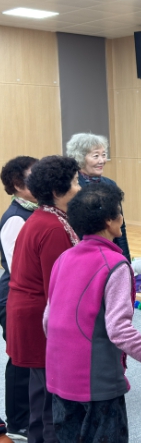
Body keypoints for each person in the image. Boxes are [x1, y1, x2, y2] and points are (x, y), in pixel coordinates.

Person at [44, 182, 141, 443]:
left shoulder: (63, 258)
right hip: (97, 381)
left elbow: (48, 319)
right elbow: (119, 330)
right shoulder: (115, 264)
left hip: (59, 375)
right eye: (120, 213)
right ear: (109, 220)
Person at [6, 156, 81, 443]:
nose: (79, 188)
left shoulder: (46, 218)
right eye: (75, 183)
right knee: (51, 403)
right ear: (58, 191)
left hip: (31, 315)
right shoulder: (52, 227)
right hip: (39, 320)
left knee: (40, 396)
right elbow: (58, 290)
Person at [0, 157, 38, 442]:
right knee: (20, 359)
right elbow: (19, 269)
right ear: (17, 184)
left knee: (34, 358)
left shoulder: (36, 210)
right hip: (13, 295)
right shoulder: (16, 217)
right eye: (33, 176)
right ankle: (17, 422)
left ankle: (32, 415)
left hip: (29, 292)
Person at [66, 133, 130, 261]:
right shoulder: (72, 187)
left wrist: (125, 258)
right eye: (96, 156)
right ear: (80, 157)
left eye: (104, 155)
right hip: (83, 253)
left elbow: (120, 225)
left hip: (110, 250)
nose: (102, 161)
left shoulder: (110, 184)